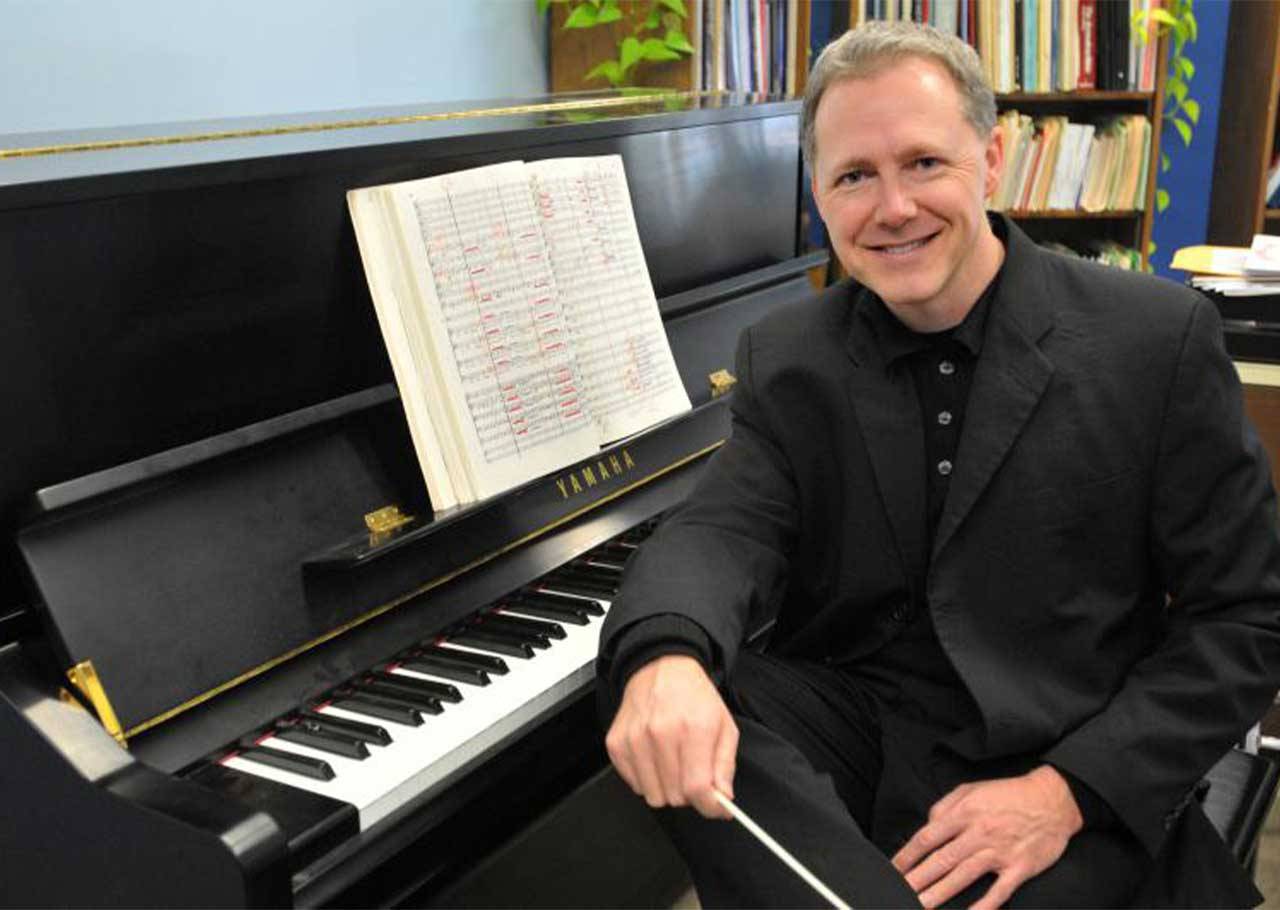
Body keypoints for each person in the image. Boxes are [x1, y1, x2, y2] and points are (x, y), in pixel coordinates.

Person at [597, 19, 1280, 910]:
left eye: (924, 163)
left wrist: (1067, 792)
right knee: (661, 691)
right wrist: (665, 659)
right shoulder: (790, 352)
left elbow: (1249, 615)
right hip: (866, 735)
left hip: (1062, 750)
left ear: (991, 162)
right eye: (855, 176)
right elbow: (726, 526)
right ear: (818, 194)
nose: (892, 208)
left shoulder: (1154, 338)